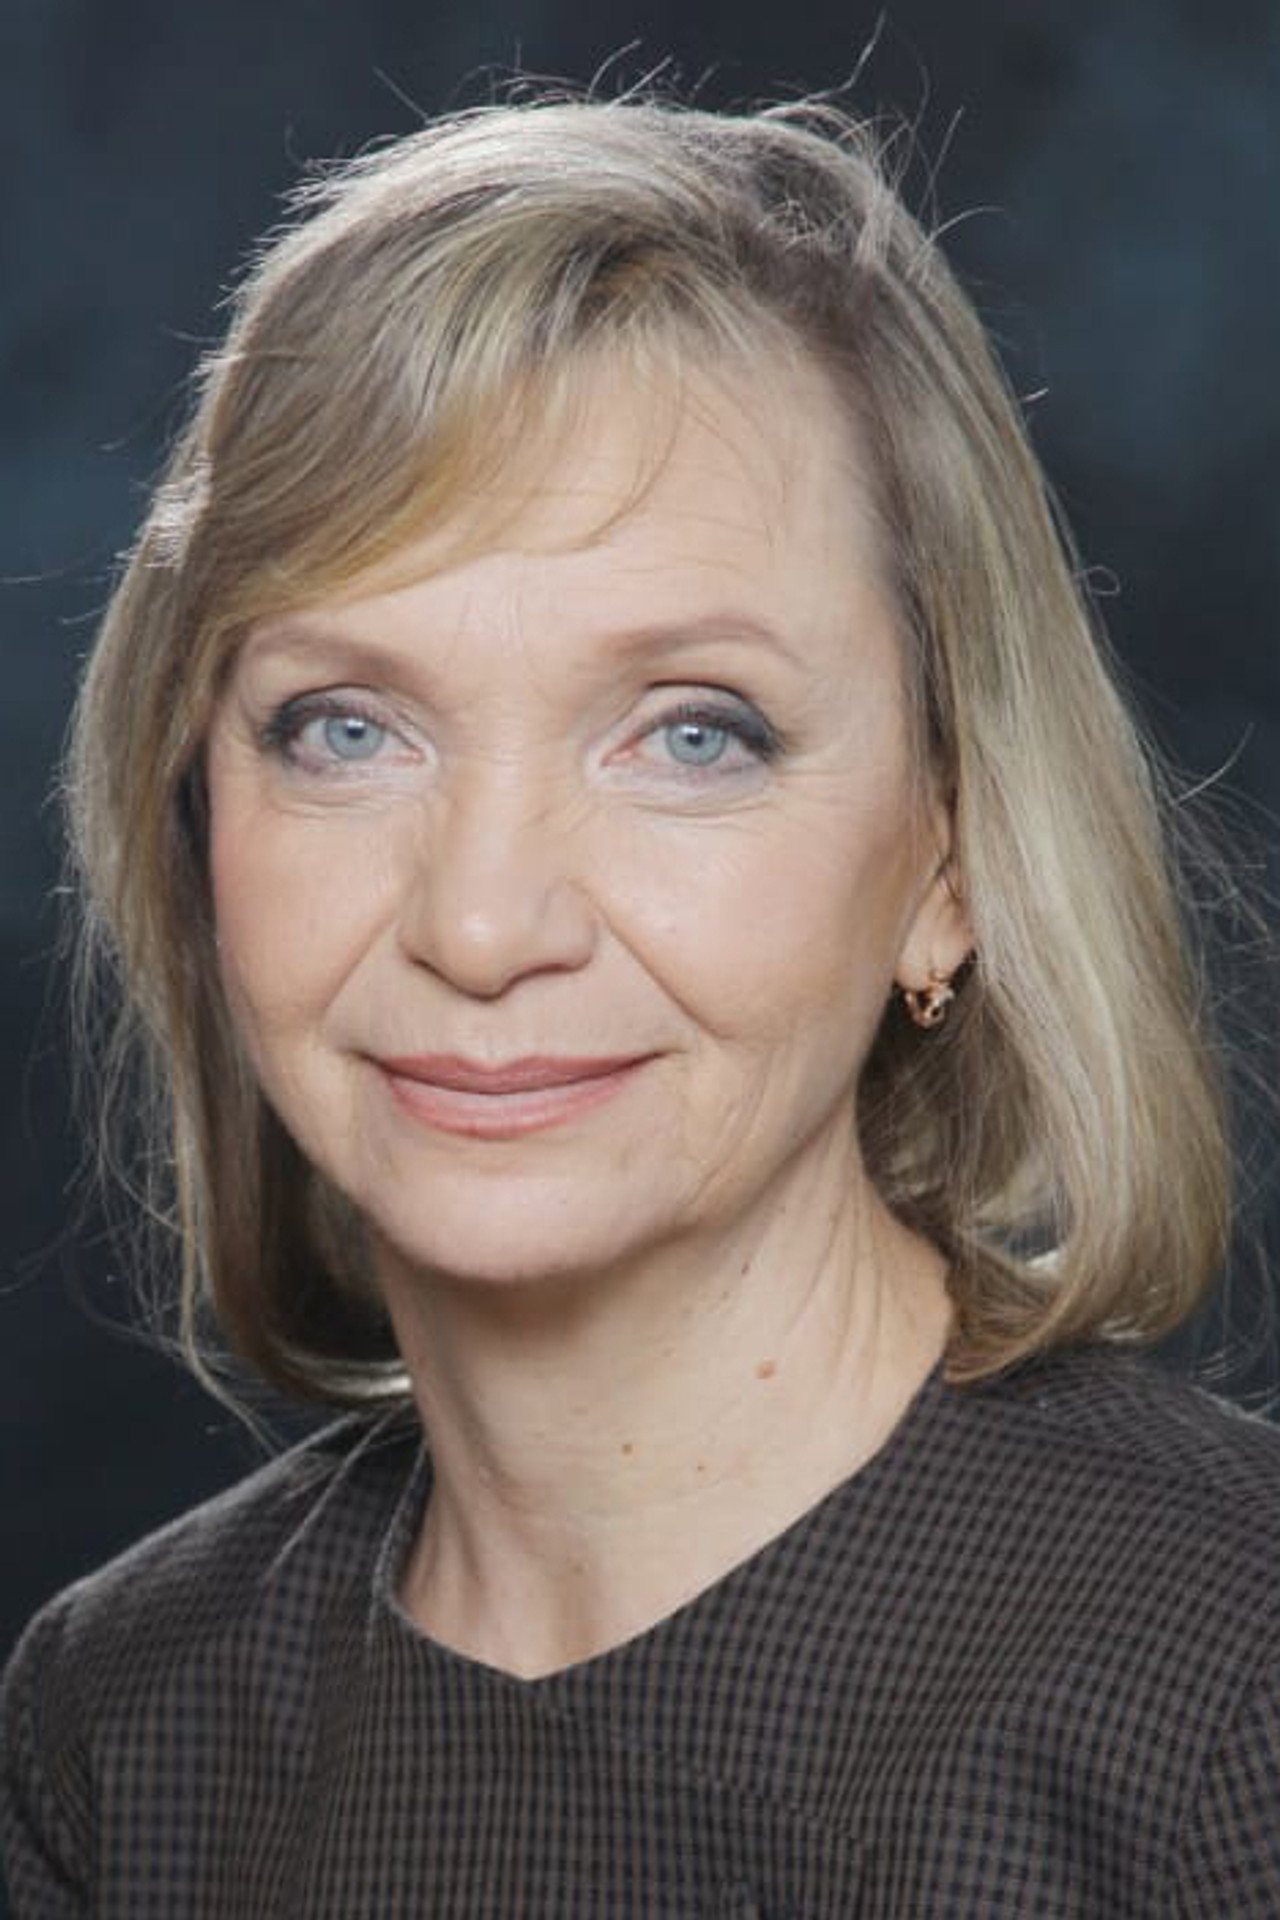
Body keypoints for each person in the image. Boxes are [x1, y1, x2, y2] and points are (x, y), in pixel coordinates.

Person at [2, 90, 1278, 1918]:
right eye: (346, 729)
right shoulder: (117, 1729)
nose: (482, 921)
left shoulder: (1237, 1701)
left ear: (952, 857)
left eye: (692, 734)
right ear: (198, 816)